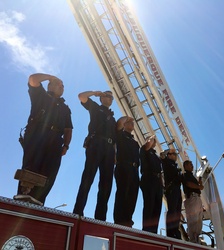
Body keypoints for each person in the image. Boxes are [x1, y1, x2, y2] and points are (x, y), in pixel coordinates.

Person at [17, 73, 73, 205]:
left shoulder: (65, 108)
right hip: (37, 134)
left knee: (50, 170)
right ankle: (23, 196)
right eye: (59, 84)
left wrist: (65, 145)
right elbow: (33, 79)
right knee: (31, 166)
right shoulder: (40, 95)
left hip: (56, 139)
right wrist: (51, 77)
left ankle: (38, 200)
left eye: (63, 86)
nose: (62, 86)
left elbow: (68, 129)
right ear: (50, 85)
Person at [73, 90, 116, 221]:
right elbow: (81, 96)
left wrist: (114, 154)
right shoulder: (95, 108)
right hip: (96, 144)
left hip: (109, 150)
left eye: (111, 97)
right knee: (88, 178)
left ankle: (100, 217)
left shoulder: (112, 118)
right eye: (108, 96)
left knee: (106, 183)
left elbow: (114, 138)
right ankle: (78, 212)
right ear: (102, 98)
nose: (110, 99)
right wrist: (95, 93)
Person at [113, 116, 140, 227]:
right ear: (124, 124)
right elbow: (118, 124)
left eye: (133, 123)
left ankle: (128, 219)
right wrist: (126, 117)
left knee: (132, 196)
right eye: (129, 122)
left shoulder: (135, 142)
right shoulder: (120, 136)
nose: (132, 124)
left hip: (134, 170)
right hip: (123, 167)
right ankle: (119, 220)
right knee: (122, 194)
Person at [140, 135, 163, 233]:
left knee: (157, 207)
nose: (154, 141)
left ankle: (154, 232)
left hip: (157, 182)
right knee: (149, 205)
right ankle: (146, 230)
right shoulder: (144, 149)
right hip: (148, 179)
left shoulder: (156, 155)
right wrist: (151, 137)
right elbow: (147, 145)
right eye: (153, 140)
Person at [161, 149, 182, 239]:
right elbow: (162, 154)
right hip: (172, 189)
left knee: (177, 211)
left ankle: (175, 231)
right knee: (172, 210)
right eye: (173, 154)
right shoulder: (166, 162)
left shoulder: (175, 166)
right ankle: (170, 232)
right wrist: (168, 150)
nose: (176, 156)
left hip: (177, 189)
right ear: (169, 155)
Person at [182, 160, 204, 243]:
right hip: (192, 198)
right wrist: (198, 186)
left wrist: (199, 183)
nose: (192, 166)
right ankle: (193, 240)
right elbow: (188, 184)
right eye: (190, 164)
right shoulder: (185, 175)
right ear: (186, 166)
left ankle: (196, 239)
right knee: (193, 220)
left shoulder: (191, 176)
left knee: (198, 220)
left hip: (196, 198)